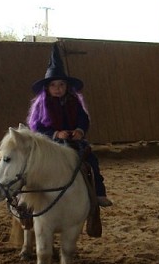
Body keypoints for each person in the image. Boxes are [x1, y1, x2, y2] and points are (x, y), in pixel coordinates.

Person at [27, 43, 112, 207]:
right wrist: (56, 134)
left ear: (67, 86)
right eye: (53, 85)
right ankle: (29, 201)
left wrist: (79, 131)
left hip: (73, 141)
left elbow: (83, 119)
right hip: (50, 143)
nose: (57, 88)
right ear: (47, 87)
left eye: (61, 85)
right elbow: (36, 128)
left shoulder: (74, 101)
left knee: (91, 162)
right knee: (32, 169)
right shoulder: (40, 105)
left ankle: (99, 193)